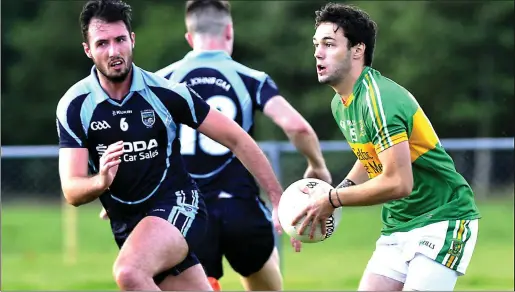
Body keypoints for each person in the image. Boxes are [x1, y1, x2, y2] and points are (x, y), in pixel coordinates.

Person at [56, 0, 285, 290]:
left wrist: (277, 197)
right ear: (87, 49)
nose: (114, 51)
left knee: (129, 272)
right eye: (102, 43)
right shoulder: (75, 106)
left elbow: (237, 138)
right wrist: (101, 181)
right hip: (129, 223)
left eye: (120, 40)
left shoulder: (166, 93)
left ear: (132, 40)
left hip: (179, 205)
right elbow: (72, 190)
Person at [292, 2, 481, 291]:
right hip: (399, 224)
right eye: (316, 44)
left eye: (329, 44)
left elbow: (399, 182)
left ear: (358, 50)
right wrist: (325, 202)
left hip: (443, 217)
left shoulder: (379, 99)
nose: (318, 52)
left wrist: (332, 200)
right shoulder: (341, 103)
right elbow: (371, 157)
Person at [155, 1, 331, 291]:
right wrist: (317, 166)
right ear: (229, 31)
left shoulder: (161, 81)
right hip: (241, 209)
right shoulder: (252, 79)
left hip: (187, 214)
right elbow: (296, 126)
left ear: (189, 37)